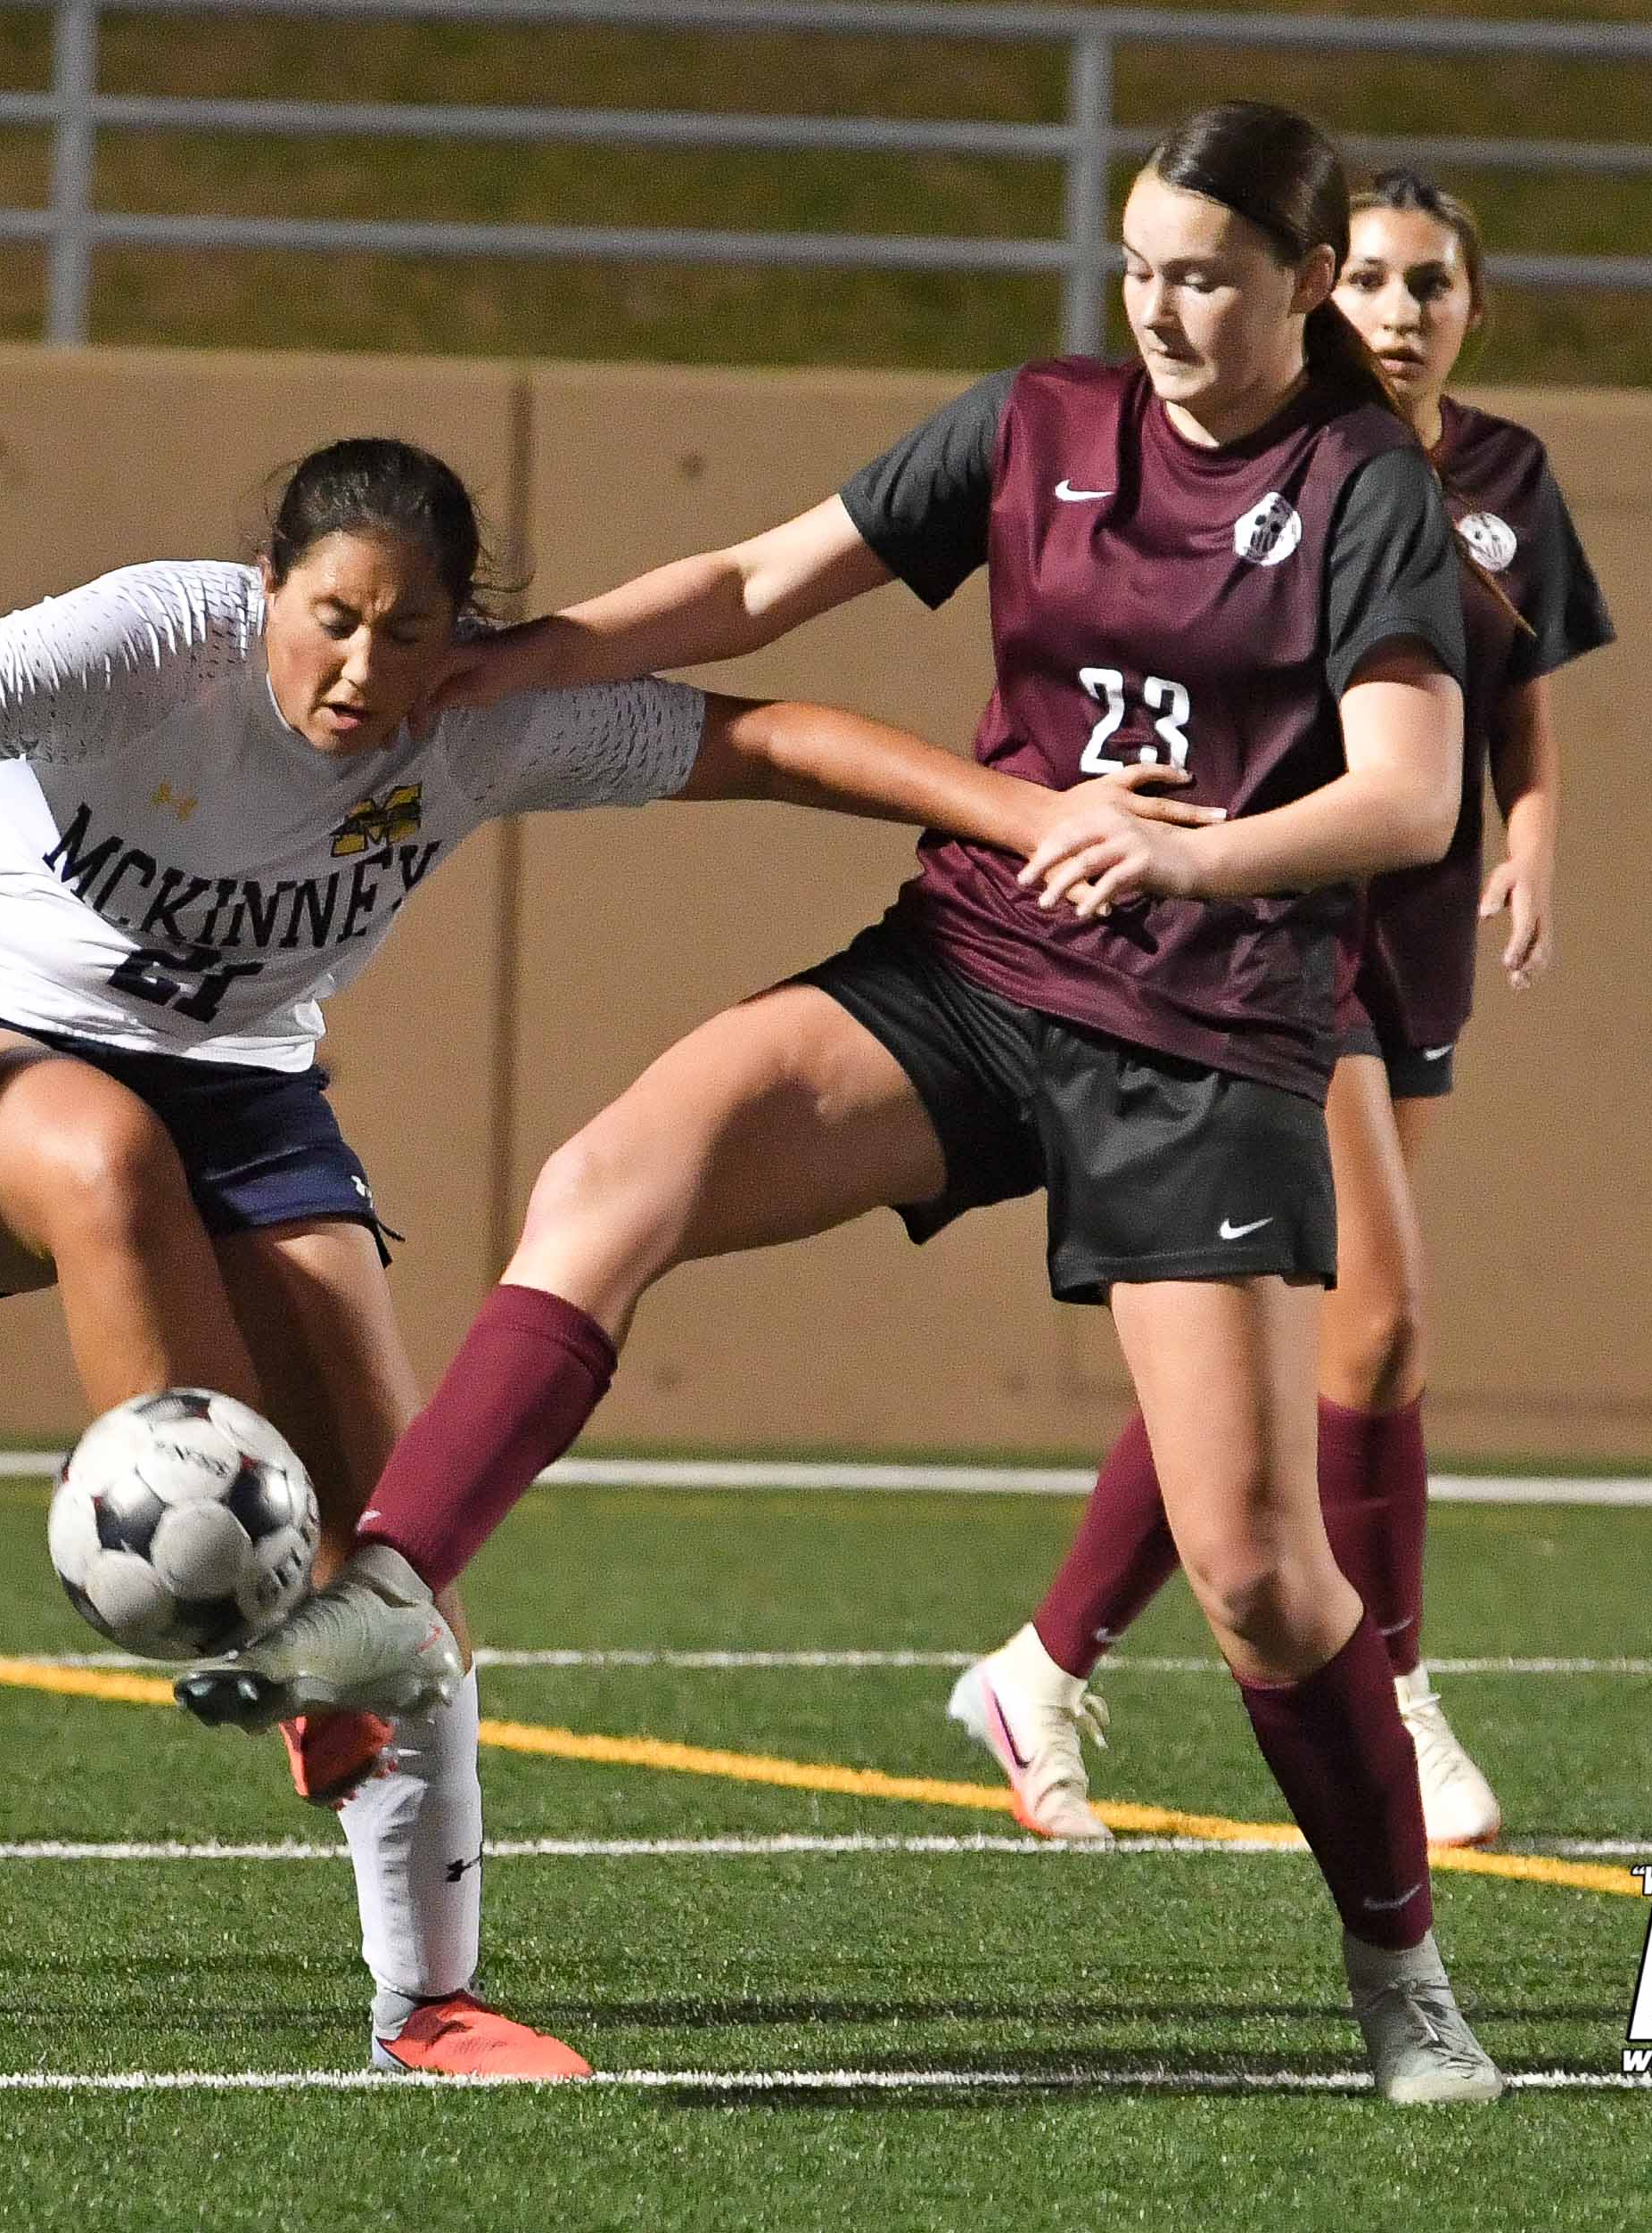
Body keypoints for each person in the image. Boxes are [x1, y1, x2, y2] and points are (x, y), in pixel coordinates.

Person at [0, 434, 1216, 2074]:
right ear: (269, 591)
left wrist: (1044, 816)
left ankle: (428, 1999)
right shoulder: (147, 641)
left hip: (246, 1093)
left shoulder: (479, 719)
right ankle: (229, 1599)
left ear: (456, 637)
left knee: (401, 1533)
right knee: (100, 1163)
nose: (359, 671)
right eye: (331, 619)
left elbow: (773, 741)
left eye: (406, 634)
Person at [184, 104, 1510, 2105]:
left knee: (1252, 1572)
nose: (1160, 307)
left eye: (1208, 276)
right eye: (1141, 264)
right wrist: (510, 661)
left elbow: (1409, 793)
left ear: (1305, 286)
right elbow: (747, 581)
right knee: (619, 1170)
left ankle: (1401, 1973)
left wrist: (1191, 861)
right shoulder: (1040, 422)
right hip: (978, 967)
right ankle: (385, 1597)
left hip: (1208, 1022)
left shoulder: (1364, 489)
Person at [947, 168, 1613, 1854]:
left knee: (1287, 1344)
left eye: (1430, 287)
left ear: (1474, 307)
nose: (1398, 313)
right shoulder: (1286, 455)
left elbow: (1511, 695)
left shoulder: (1502, 476)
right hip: (1269, 922)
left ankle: (1041, 1660)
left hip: (1412, 917)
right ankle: (1385, 1680)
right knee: (1373, 1324)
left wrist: (1530, 835)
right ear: (1318, 289)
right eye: (1371, 281)